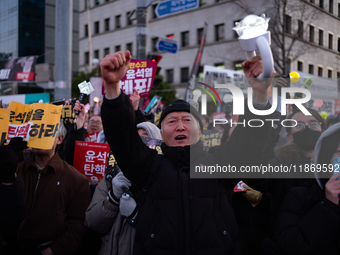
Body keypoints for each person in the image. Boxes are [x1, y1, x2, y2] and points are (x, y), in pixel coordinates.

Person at [99, 50, 275, 254]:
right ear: (161, 133)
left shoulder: (218, 162)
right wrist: (112, 88)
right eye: (172, 121)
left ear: (200, 131)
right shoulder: (148, 167)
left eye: (187, 120)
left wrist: (261, 94)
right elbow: (122, 138)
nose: (180, 126)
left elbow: (249, 140)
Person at [4, 120, 91, 255]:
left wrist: (52, 250)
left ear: (59, 139)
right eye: (35, 132)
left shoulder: (76, 179)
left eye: (46, 133)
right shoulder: (15, 170)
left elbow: (78, 224)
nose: (39, 137)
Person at [85, 120, 162, 255]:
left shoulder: (162, 179)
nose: (140, 141)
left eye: (146, 136)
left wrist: (136, 215)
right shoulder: (111, 177)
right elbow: (92, 222)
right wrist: (113, 198)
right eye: (135, 137)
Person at [275, 122, 340, 255]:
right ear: (325, 158)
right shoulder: (299, 196)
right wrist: (327, 206)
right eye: (339, 152)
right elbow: (291, 245)